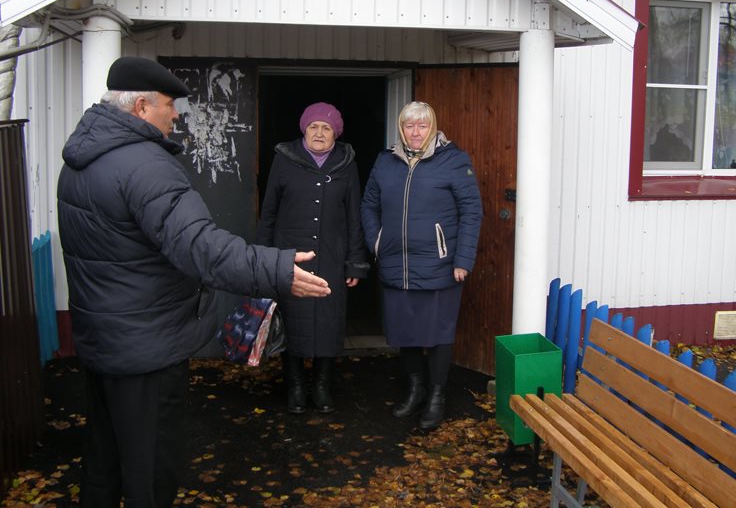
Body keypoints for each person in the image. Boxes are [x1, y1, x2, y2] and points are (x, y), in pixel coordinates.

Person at [56, 57, 331, 508]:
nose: (178, 113)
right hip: (147, 348)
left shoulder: (81, 159)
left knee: (103, 464)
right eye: (170, 103)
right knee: (150, 472)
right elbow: (200, 247)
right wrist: (276, 270)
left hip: (103, 341)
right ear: (142, 107)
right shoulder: (145, 165)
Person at [360, 101, 482, 430]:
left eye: (422, 126)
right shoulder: (386, 161)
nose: (416, 133)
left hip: (440, 266)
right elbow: (368, 204)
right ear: (401, 129)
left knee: (438, 334)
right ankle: (415, 391)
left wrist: (463, 259)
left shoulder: (453, 160)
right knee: (406, 333)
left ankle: (437, 397)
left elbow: (472, 212)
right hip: (396, 264)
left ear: (433, 127)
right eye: (409, 126)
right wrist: (377, 241)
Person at [256, 102, 369, 414]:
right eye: (314, 126)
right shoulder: (284, 159)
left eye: (327, 128)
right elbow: (268, 214)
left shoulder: (346, 164)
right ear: (304, 129)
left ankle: (321, 386)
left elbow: (354, 216)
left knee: (329, 323)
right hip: (290, 257)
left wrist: (355, 261)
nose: (320, 133)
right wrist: (262, 260)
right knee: (292, 322)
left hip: (332, 257)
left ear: (336, 134)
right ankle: (294, 386)